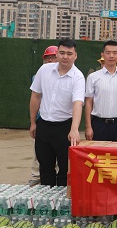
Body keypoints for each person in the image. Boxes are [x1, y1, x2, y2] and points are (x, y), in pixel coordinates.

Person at [29, 38, 85, 186]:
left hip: (64, 128)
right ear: (57, 54)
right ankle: (46, 198)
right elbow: (35, 96)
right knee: (45, 167)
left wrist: (74, 129)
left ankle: (61, 198)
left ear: (75, 55)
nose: (65, 57)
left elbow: (77, 103)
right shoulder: (44, 70)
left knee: (65, 169)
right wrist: (33, 123)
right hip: (44, 126)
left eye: (69, 53)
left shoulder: (78, 77)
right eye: (62, 53)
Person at [84, 40, 117, 142]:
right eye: (108, 53)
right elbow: (88, 102)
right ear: (102, 55)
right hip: (99, 125)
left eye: (114, 53)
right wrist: (88, 127)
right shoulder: (93, 77)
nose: (111, 56)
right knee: (98, 152)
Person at [28, 45, 58, 186]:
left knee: (59, 153)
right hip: (42, 119)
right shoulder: (39, 75)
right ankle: (36, 175)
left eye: (53, 57)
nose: (50, 60)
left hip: (60, 121)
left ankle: (58, 177)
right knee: (40, 152)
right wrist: (33, 122)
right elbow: (35, 98)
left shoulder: (67, 75)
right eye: (47, 58)